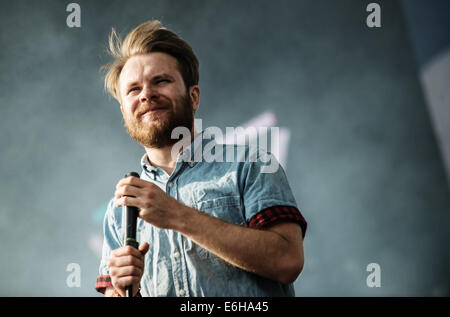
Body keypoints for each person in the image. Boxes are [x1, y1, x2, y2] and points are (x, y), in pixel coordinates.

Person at [95, 20, 307, 297]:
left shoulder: (251, 165)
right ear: (124, 111)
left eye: (161, 81)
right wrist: (126, 292)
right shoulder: (120, 208)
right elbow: (114, 293)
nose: (146, 94)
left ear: (193, 97)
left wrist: (175, 215)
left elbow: (287, 261)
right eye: (134, 89)